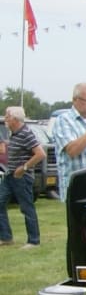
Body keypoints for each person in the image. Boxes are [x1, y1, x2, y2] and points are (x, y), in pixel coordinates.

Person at [0, 106, 45, 248]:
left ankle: (34, 241)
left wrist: (24, 167)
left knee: (26, 208)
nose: (5, 119)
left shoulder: (26, 133)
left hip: (22, 177)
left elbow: (40, 154)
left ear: (14, 119)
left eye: (7, 116)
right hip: (9, 176)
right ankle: (6, 237)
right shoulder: (13, 133)